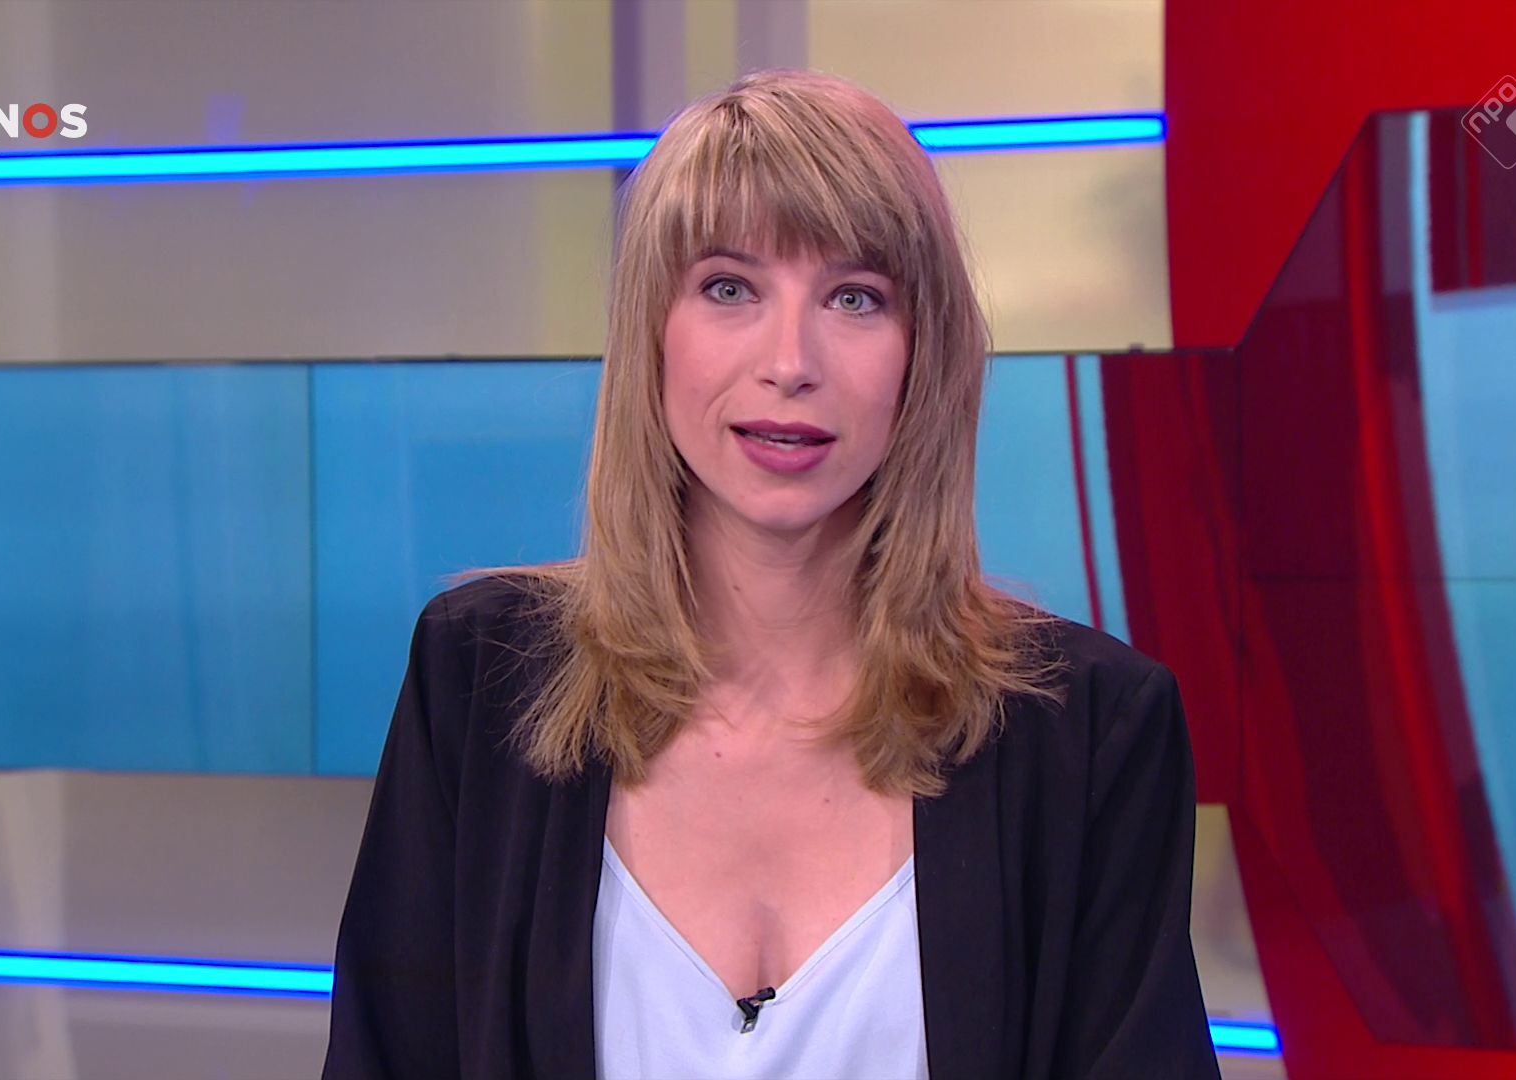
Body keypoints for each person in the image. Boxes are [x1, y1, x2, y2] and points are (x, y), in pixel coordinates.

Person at [321, 67, 1221, 1079]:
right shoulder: (480, 677)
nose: (790, 360)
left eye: (855, 297)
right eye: (729, 288)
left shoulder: (1091, 730)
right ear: (653, 334)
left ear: (923, 355)